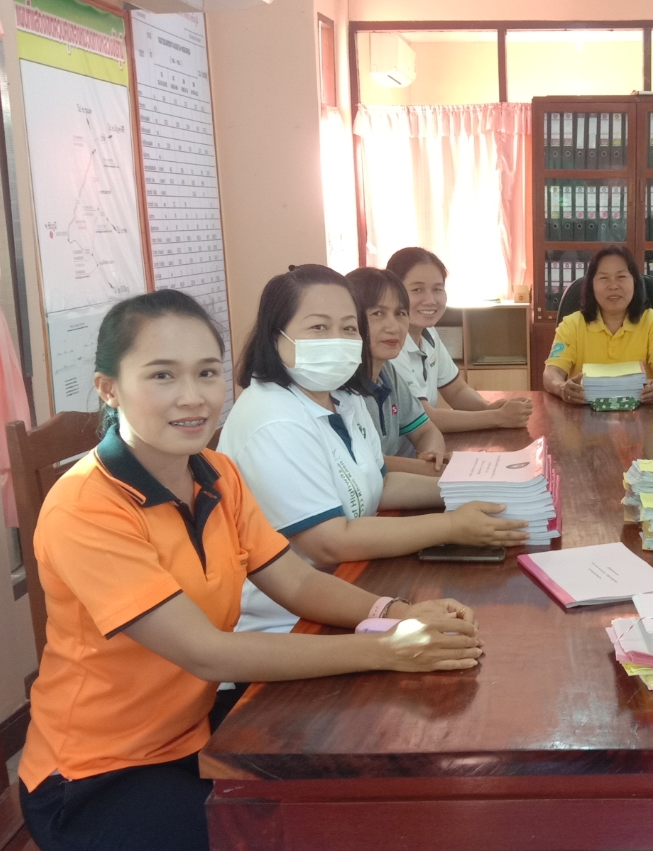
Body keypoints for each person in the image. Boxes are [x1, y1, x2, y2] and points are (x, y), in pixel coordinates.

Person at [18, 289, 482, 851]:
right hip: (93, 783)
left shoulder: (214, 475)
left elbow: (293, 579)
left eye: (206, 373)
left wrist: (396, 613)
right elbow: (206, 650)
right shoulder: (86, 507)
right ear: (108, 388)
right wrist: (383, 649)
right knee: (296, 848)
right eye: (162, 375)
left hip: (192, 735)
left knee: (356, 788)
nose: (192, 397)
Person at [218, 264, 528, 635]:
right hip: (288, 624)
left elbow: (381, 483)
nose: (338, 339)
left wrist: (480, 490)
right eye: (319, 327)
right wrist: (449, 525)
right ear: (275, 335)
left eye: (349, 328)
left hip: (355, 583)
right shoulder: (272, 420)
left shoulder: (343, 398)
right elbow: (329, 542)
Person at [387, 246, 534, 433]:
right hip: (401, 450)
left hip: (426, 445)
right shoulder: (391, 345)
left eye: (437, 289)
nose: (430, 300)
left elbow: (457, 391)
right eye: (417, 289)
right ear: (393, 292)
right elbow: (424, 418)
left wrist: (489, 408)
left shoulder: (429, 333)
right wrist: (497, 417)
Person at [542, 245, 653, 404]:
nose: (613, 286)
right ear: (592, 286)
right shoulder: (572, 324)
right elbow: (551, 372)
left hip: (642, 413)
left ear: (634, 282)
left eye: (621, 277)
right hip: (583, 413)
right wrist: (561, 387)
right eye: (604, 278)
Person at [346, 266, 448, 477]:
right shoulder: (339, 384)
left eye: (400, 313)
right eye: (378, 313)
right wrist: (432, 470)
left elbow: (425, 430)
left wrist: (432, 455)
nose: (393, 327)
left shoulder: (387, 372)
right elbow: (368, 463)